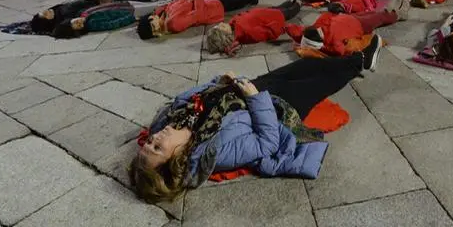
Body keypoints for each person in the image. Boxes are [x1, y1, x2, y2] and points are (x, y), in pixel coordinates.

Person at [128, 50, 380, 202]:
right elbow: (267, 142)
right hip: (275, 106)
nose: (153, 138)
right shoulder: (214, 152)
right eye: (157, 147)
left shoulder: (167, 122)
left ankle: (349, 60)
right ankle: (360, 61)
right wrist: (255, 99)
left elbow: (185, 97)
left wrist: (218, 81)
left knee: (305, 65)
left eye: (148, 143)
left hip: (246, 88)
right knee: (320, 81)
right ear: (175, 160)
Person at [203, 0, 302, 55]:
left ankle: (292, 0)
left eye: (219, 25)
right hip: (275, 19)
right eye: (222, 27)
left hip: (267, 13)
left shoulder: (232, 25)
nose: (221, 23)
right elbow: (265, 33)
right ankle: (299, 2)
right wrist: (279, 27)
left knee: (283, 6)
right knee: (290, 11)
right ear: (227, 36)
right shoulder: (246, 32)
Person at [137, 0, 225, 39]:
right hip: (214, 9)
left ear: (150, 18)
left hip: (209, 1)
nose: (156, 30)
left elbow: (178, 1)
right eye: (154, 33)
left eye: (153, 26)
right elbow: (197, 16)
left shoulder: (162, 14)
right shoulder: (173, 24)